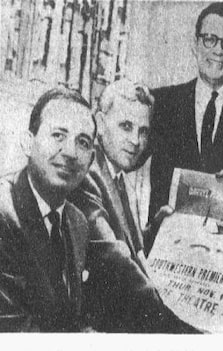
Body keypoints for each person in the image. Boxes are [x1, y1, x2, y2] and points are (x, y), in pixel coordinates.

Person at [0, 88, 196, 333]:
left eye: (82, 142)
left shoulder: (75, 221)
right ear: (28, 143)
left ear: (90, 158)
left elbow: (69, 316)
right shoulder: (4, 213)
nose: (71, 153)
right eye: (58, 135)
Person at [149, 2, 223, 245]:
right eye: (209, 39)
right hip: (165, 245)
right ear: (195, 45)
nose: (218, 51)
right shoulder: (162, 102)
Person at [69, 79, 157, 260]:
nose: (135, 140)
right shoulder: (88, 174)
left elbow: (129, 242)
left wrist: (158, 224)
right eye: (126, 126)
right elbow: (115, 255)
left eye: (143, 131)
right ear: (100, 123)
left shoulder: (119, 177)